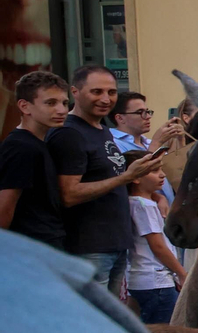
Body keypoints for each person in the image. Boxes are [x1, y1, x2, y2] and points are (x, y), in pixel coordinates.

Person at [48, 66, 163, 295]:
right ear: (75, 92)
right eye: (96, 91)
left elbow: (109, 179)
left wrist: (157, 195)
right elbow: (69, 194)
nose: (105, 99)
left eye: (111, 92)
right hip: (88, 247)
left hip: (115, 244)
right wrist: (127, 177)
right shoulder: (69, 134)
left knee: (110, 320)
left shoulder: (101, 129)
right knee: (91, 321)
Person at [0, 70, 71, 250]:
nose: (61, 110)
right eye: (50, 103)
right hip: (32, 247)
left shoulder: (38, 143)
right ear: (24, 106)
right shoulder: (21, 146)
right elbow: (5, 206)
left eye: (64, 103)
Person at [123, 150, 185, 324]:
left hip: (140, 280)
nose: (162, 175)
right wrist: (181, 273)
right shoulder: (145, 206)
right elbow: (157, 246)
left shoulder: (134, 202)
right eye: (154, 171)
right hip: (156, 282)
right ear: (136, 178)